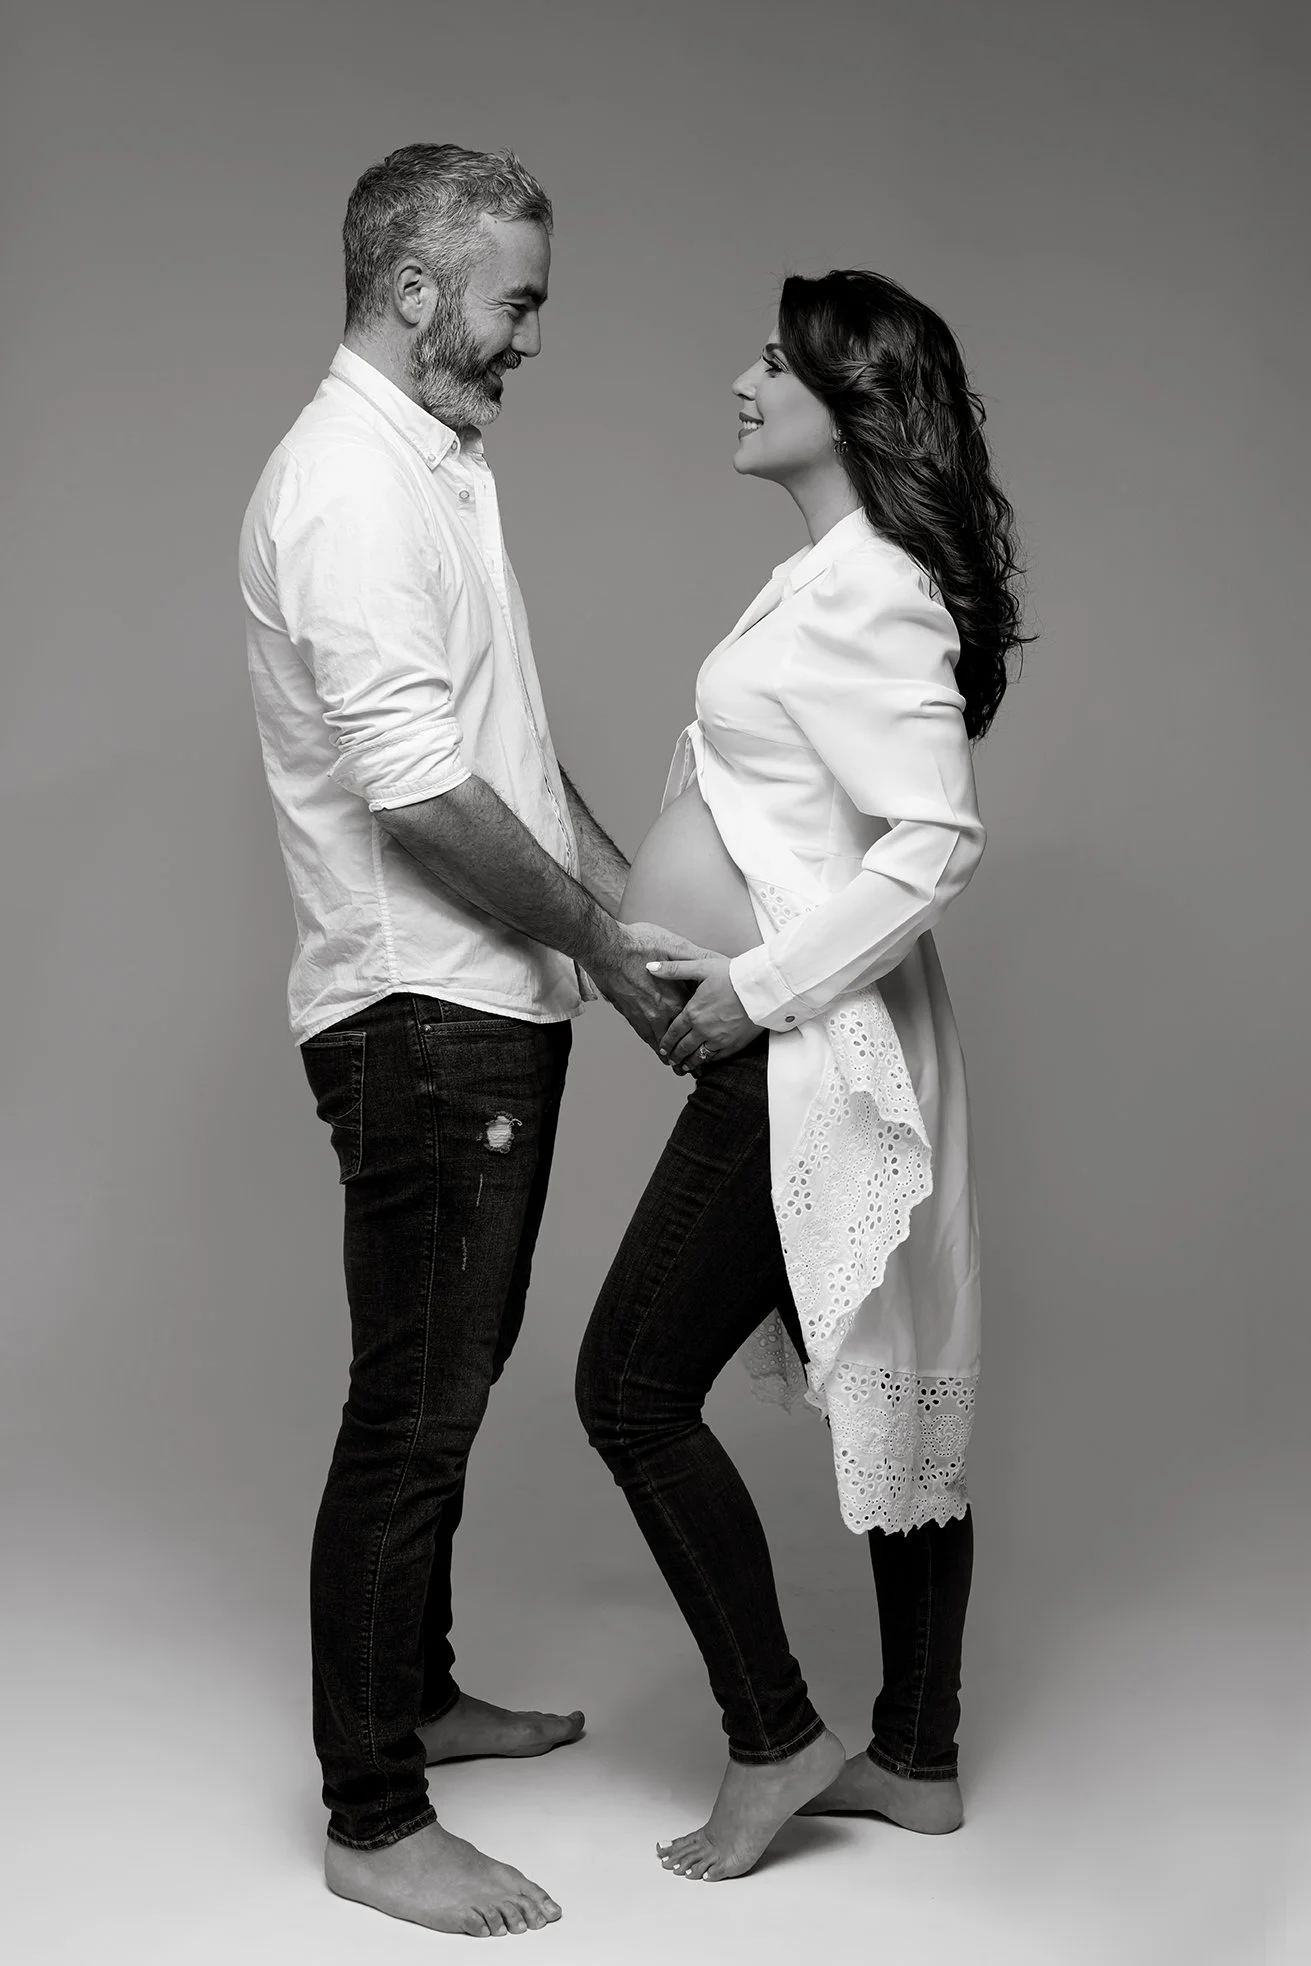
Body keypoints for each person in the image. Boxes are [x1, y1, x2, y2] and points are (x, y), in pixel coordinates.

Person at [238, 143, 692, 1939]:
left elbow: (502, 749)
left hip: (489, 1001)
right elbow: (423, 797)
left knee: (451, 1378)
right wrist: (593, 936)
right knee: (414, 1409)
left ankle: (414, 1693)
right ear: (415, 291)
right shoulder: (349, 484)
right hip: (422, 1016)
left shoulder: (437, 467)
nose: (526, 338)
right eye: (516, 300)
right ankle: (370, 1812)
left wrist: (630, 930)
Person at [577, 269, 1029, 1882]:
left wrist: (754, 987)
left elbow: (934, 842)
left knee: (626, 1388)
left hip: (803, 1049)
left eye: (777, 359)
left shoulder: (874, 589)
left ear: (856, 401)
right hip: (800, 1040)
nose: (742, 375)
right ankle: (913, 1755)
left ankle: (775, 1737)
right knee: (895, 1379)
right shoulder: (820, 576)